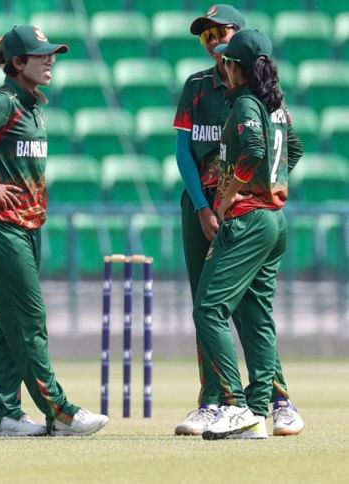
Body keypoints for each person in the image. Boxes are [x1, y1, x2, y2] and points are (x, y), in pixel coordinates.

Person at [0, 26, 108, 437]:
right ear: (18, 63)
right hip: (0, 225)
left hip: (26, 225)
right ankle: (60, 411)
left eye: (52, 54)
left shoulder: (32, 104)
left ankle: (6, 415)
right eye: (41, 55)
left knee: (9, 322)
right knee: (30, 320)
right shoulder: (4, 101)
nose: (50, 60)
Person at [173, 5, 303, 437]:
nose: (213, 42)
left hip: (242, 214)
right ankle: (227, 403)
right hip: (220, 209)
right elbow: (184, 153)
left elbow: (259, 151)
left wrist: (235, 195)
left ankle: (251, 403)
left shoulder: (251, 96)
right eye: (205, 35)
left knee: (218, 309)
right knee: (232, 305)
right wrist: (205, 206)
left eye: (221, 34)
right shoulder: (202, 87)